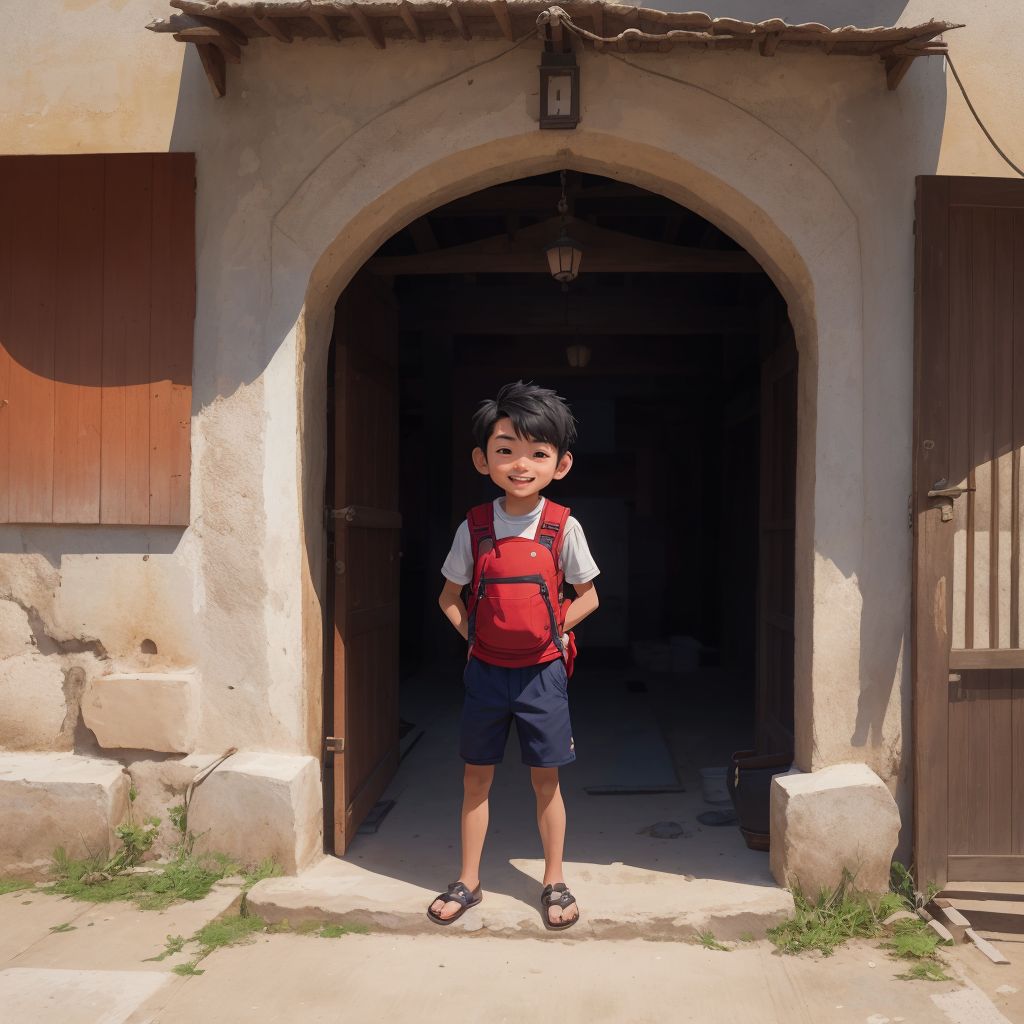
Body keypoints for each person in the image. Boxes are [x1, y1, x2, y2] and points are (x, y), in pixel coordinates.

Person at [427, 381, 600, 931]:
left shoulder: (562, 525)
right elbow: (447, 596)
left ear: (561, 463)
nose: (520, 464)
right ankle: (469, 879)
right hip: (485, 673)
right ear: (483, 459)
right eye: (506, 449)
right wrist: (477, 638)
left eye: (537, 453)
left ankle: (554, 880)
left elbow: (589, 595)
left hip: (542, 675)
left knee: (545, 781)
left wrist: (552, 629)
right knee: (475, 779)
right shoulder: (475, 527)